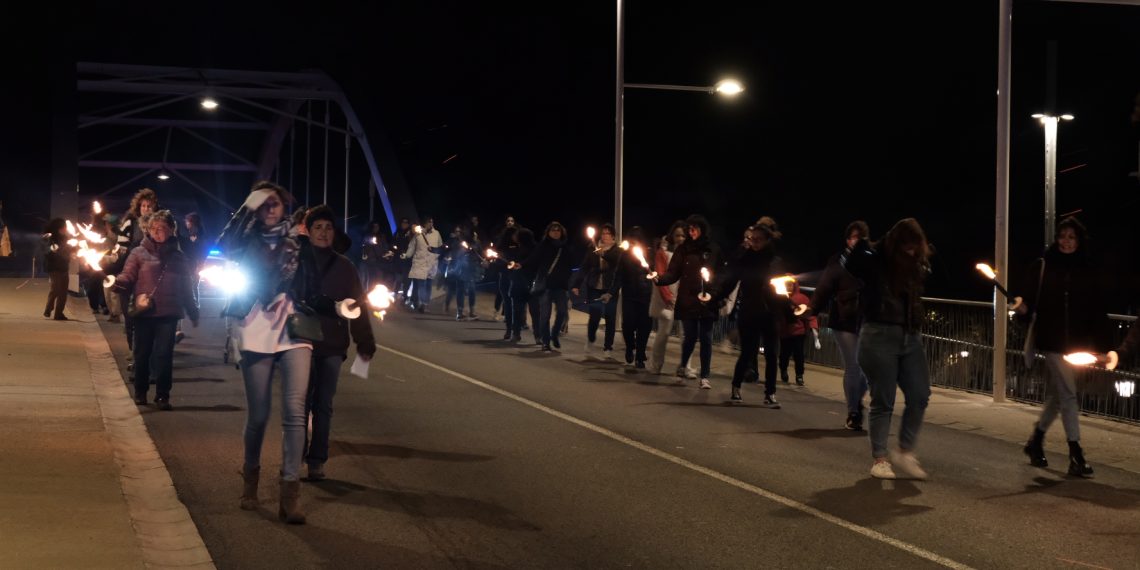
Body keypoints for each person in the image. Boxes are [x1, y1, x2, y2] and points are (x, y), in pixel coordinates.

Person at [217, 180, 315, 524]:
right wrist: (246, 205)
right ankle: (250, 479)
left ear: (285, 206)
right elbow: (222, 245)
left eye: (275, 202)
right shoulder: (245, 239)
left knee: (295, 412)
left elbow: (333, 254)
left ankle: (290, 493)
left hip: (294, 327)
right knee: (259, 415)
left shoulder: (300, 239)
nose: (270, 208)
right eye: (264, 203)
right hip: (255, 323)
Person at [1014, 217, 1108, 477]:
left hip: (1078, 345)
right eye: (1062, 236)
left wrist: (1102, 347)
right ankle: (1076, 453)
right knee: (1068, 394)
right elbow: (1029, 301)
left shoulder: (1087, 269)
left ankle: (1036, 441)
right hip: (1051, 341)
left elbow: (1097, 310)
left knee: (1059, 395)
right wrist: (1022, 308)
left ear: (1079, 241)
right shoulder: (1043, 266)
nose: (1066, 241)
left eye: (1071, 237)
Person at [841, 218, 933, 480]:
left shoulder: (917, 265)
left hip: (910, 336)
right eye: (907, 246)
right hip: (879, 334)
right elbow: (852, 265)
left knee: (920, 394)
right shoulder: (876, 260)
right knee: (884, 399)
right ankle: (880, 459)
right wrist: (861, 243)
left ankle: (905, 451)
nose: (911, 251)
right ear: (896, 243)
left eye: (915, 246)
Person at [299, 206, 376, 481]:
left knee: (323, 405)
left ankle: (317, 460)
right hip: (300, 343)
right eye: (318, 227)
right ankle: (295, 455)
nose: (323, 232)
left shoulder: (345, 267)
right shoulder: (295, 262)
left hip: (332, 343)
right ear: (308, 231)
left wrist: (364, 342)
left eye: (329, 227)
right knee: (299, 404)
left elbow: (358, 306)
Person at [111, 210, 200, 410]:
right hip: (144, 312)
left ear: (172, 230)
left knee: (164, 355)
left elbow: (187, 288)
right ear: (148, 230)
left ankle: (162, 395)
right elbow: (127, 275)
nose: (158, 232)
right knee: (142, 354)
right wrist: (116, 283)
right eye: (153, 228)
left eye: (162, 228)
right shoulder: (138, 253)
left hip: (169, 313)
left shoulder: (178, 257)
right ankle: (140, 391)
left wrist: (193, 310)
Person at [712, 221, 786, 406]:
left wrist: (790, 310)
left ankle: (770, 393)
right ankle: (736, 387)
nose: (754, 242)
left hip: (770, 312)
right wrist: (715, 297)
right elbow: (731, 282)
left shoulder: (775, 262)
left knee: (771, 354)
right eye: (753, 239)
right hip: (749, 311)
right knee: (747, 352)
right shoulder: (745, 259)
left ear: (767, 240)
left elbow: (783, 288)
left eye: (759, 239)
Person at [810, 221, 871, 430]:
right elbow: (824, 287)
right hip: (844, 318)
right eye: (853, 237)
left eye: (861, 237)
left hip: (867, 319)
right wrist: (812, 309)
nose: (857, 241)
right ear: (847, 240)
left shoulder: (872, 259)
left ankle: (856, 401)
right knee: (854, 365)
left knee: (868, 368)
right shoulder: (838, 261)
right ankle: (853, 412)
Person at [654, 215, 721, 389]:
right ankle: (683, 366)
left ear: (702, 229)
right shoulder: (683, 249)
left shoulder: (712, 249)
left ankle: (705, 376)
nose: (691, 232)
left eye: (695, 228)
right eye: (689, 229)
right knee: (690, 336)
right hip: (688, 299)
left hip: (708, 299)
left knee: (706, 338)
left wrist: (715, 294)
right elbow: (673, 273)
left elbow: (720, 274)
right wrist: (659, 279)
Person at [515, 221, 573, 351]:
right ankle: (546, 342)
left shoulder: (565, 247)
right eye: (553, 230)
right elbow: (533, 259)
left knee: (562, 312)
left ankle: (554, 334)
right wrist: (522, 264)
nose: (556, 232)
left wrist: (567, 280)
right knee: (545, 315)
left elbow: (570, 265)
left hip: (560, 286)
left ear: (562, 232)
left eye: (558, 230)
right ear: (548, 232)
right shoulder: (543, 246)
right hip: (546, 285)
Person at [606, 226, 654, 368]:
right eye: (631, 241)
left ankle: (640, 355)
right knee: (628, 325)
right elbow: (618, 276)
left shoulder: (649, 254)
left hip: (646, 296)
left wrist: (653, 275)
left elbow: (655, 272)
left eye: (636, 241)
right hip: (629, 295)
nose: (633, 244)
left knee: (644, 327)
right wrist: (611, 292)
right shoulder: (624, 255)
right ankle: (629, 347)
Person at [572, 223, 621, 357]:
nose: (605, 236)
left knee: (610, 317)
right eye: (603, 233)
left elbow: (615, 261)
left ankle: (608, 347)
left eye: (608, 233)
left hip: (610, 288)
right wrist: (576, 284)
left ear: (613, 236)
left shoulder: (617, 250)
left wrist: (603, 254)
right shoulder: (593, 248)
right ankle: (591, 338)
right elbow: (584, 266)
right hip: (594, 286)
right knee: (595, 315)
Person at [648, 222, 686, 374]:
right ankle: (656, 365)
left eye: (683, 235)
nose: (680, 238)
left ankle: (686, 366)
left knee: (686, 335)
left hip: (684, 298)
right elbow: (660, 275)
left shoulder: (690, 253)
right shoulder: (663, 252)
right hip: (667, 299)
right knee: (663, 333)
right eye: (677, 235)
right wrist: (668, 297)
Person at [778, 278, 817, 386]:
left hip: (798, 332)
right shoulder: (780, 298)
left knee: (798, 354)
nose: (788, 287)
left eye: (790, 284)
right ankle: (783, 371)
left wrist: (813, 328)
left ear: (794, 285)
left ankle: (799, 375)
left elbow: (810, 314)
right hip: (785, 332)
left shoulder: (802, 298)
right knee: (784, 354)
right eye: (787, 284)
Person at [401, 217, 443, 313]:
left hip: (431, 263)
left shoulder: (436, 234)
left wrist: (438, 255)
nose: (430, 224)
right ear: (424, 224)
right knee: (421, 284)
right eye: (428, 222)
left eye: (432, 222)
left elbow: (440, 246)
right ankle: (421, 303)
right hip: (420, 262)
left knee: (428, 284)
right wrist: (406, 255)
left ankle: (425, 303)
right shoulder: (418, 234)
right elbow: (412, 246)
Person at [42, 218, 73, 320]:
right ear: (59, 228)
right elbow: (45, 251)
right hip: (53, 267)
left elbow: (69, 250)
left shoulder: (66, 238)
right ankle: (48, 308)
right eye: (64, 227)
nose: (66, 229)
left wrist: (73, 251)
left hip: (64, 267)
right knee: (55, 289)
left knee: (63, 291)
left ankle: (59, 313)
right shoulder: (50, 238)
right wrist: (51, 250)